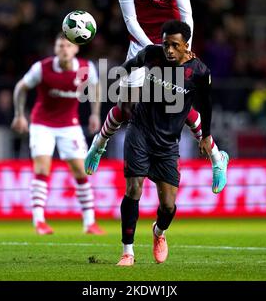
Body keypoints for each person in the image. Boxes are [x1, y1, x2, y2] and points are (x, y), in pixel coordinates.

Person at [85, 0, 226, 174]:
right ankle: (99, 144)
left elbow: (187, 15)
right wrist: (152, 50)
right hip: (143, 43)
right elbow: (130, 21)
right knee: (127, 106)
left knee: (177, 106)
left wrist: (182, 52)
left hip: (174, 45)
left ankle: (216, 159)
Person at [87, 21, 229, 266]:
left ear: (187, 46)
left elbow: (205, 105)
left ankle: (159, 233)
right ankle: (127, 252)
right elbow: (127, 66)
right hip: (140, 131)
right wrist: (121, 79)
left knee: (168, 205)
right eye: (166, 44)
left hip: (167, 143)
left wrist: (206, 136)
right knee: (133, 189)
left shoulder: (199, 72)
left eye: (175, 45)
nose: (169, 50)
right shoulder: (152, 55)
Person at [11, 33, 104, 235]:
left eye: (68, 45)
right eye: (60, 45)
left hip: (69, 124)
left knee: (81, 170)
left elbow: (96, 89)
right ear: (55, 48)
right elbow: (21, 87)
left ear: (76, 49)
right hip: (42, 123)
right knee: (42, 168)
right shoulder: (41, 68)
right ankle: (39, 221)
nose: (64, 49)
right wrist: (19, 115)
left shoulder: (85, 68)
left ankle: (89, 222)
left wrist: (95, 114)